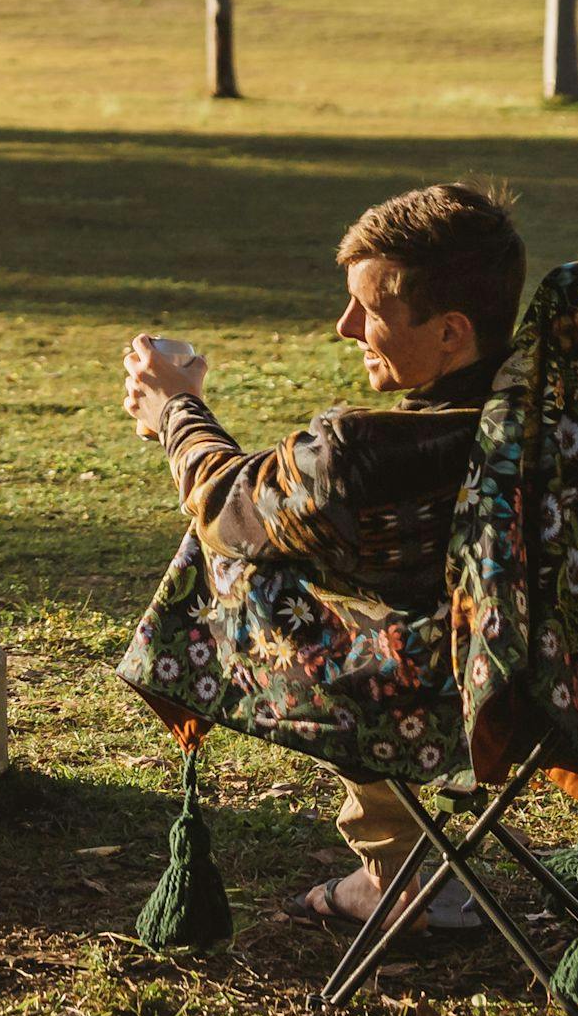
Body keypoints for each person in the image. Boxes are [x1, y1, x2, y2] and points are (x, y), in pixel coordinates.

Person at [119, 181, 528, 933]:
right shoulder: (562, 414)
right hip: (567, 680)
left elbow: (232, 506)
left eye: (370, 310)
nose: (346, 328)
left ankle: (396, 872)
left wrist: (173, 409)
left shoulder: (363, 456)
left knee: (232, 564)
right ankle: (407, 864)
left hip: (449, 697)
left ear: (451, 331)